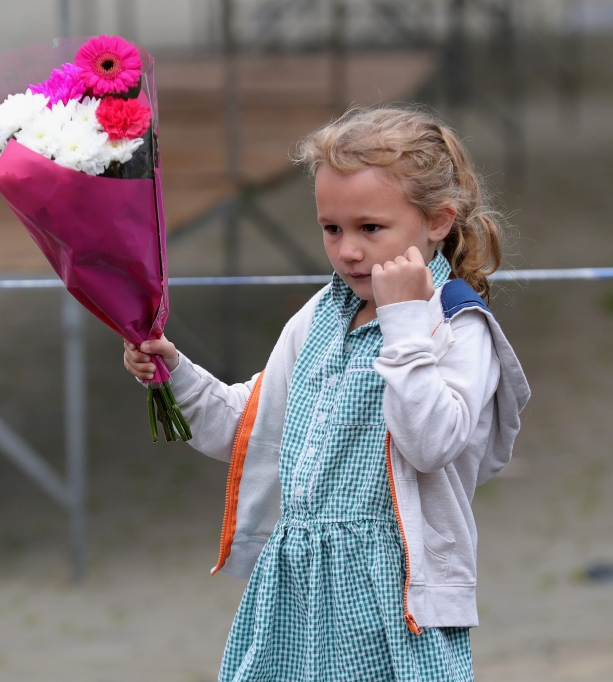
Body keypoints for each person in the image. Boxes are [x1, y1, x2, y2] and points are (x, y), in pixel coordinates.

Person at [123, 107, 530, 681]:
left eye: (371, 228)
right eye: (331, 229)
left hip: (396, 598)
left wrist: (406, 322)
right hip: (297, 589)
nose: (348, 251)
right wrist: (175, 373)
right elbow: (247, 427)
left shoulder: (457, 326)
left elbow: (432, 442)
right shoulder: (318, 317)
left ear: (438, 221)